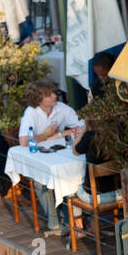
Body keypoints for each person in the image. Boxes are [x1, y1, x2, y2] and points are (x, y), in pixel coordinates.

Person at [17, 79, 85, 235]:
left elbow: (81, 124)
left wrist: (62, 134)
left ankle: (73, 221)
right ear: (38, 98)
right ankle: (55, 223)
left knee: (69, 173)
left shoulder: (61, 108)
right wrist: (47, 134)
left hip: (58, 153)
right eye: (48, 95)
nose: (54, 96)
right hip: (38, 156)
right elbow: (24, 141)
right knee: (41, 180)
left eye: (54, 92)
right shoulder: (31, 112)